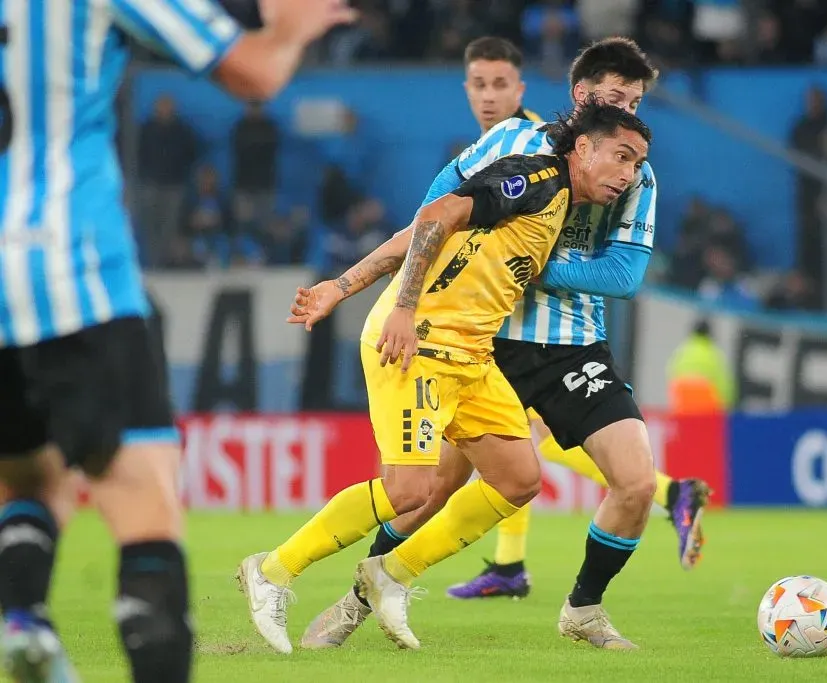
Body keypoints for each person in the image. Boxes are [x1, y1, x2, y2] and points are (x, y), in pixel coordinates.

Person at [295, 37, 708, 653]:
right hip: (486, 339)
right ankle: (359, 599)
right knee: (430, 491)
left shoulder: (636, 171)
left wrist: (528, 259)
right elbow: (433, 213)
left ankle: (584, 609)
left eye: (637, 101)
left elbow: (623, 276)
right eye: (616, 99)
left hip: (572, 343)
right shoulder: (513, 144)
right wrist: (364, 287)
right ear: (583, 98)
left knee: (636, 483)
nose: (628, 113)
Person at [0, 1, 355, 681]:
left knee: (26, 473)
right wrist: (292, 28)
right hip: (71, 270)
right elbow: (252, 74)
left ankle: (24, 618)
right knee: (145, 496)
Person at [237, 100, 653, 652]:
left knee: (518, 479)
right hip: (417, 345)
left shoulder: (559, 207)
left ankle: (391, 573)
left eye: (637, 163)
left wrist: (339, 287)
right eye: (621, 157)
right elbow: (433, 216)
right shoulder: (533, 179)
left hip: (474, 357)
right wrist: (399, 308)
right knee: (409, 490)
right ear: (583, 148)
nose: (628, 176)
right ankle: (272, 570)